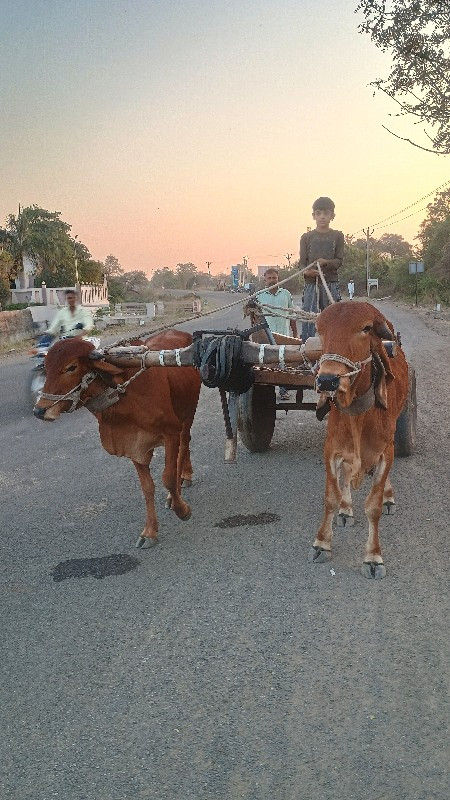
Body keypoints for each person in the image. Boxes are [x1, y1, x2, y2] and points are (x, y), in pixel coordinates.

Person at [299, 196, 344, 340]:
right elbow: (302, 263)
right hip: (311, 284)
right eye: (318, 213)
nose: (322, 217)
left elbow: (339, 261)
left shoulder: (338, 236)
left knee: (332, 318)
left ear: (332, 216)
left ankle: (335, 347)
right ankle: (306, 349)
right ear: (313, 216)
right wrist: (307, 272)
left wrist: (325, 262)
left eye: (326, 213)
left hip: (330, 283)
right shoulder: (306, 237)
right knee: (309, 317)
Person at [256, 267, 298, 401]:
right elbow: (255, 318)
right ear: (265, 280)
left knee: (283, 364)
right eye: (269, 278)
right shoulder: (259, 296)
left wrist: (295, 335)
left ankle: (283, 391)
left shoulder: (286, 294)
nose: (272, 281)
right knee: (267, 365)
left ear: (278, 279)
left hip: (284, 335)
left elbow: (292, 315)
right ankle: (267, 394)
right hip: (266, 337)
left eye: (274, 278)